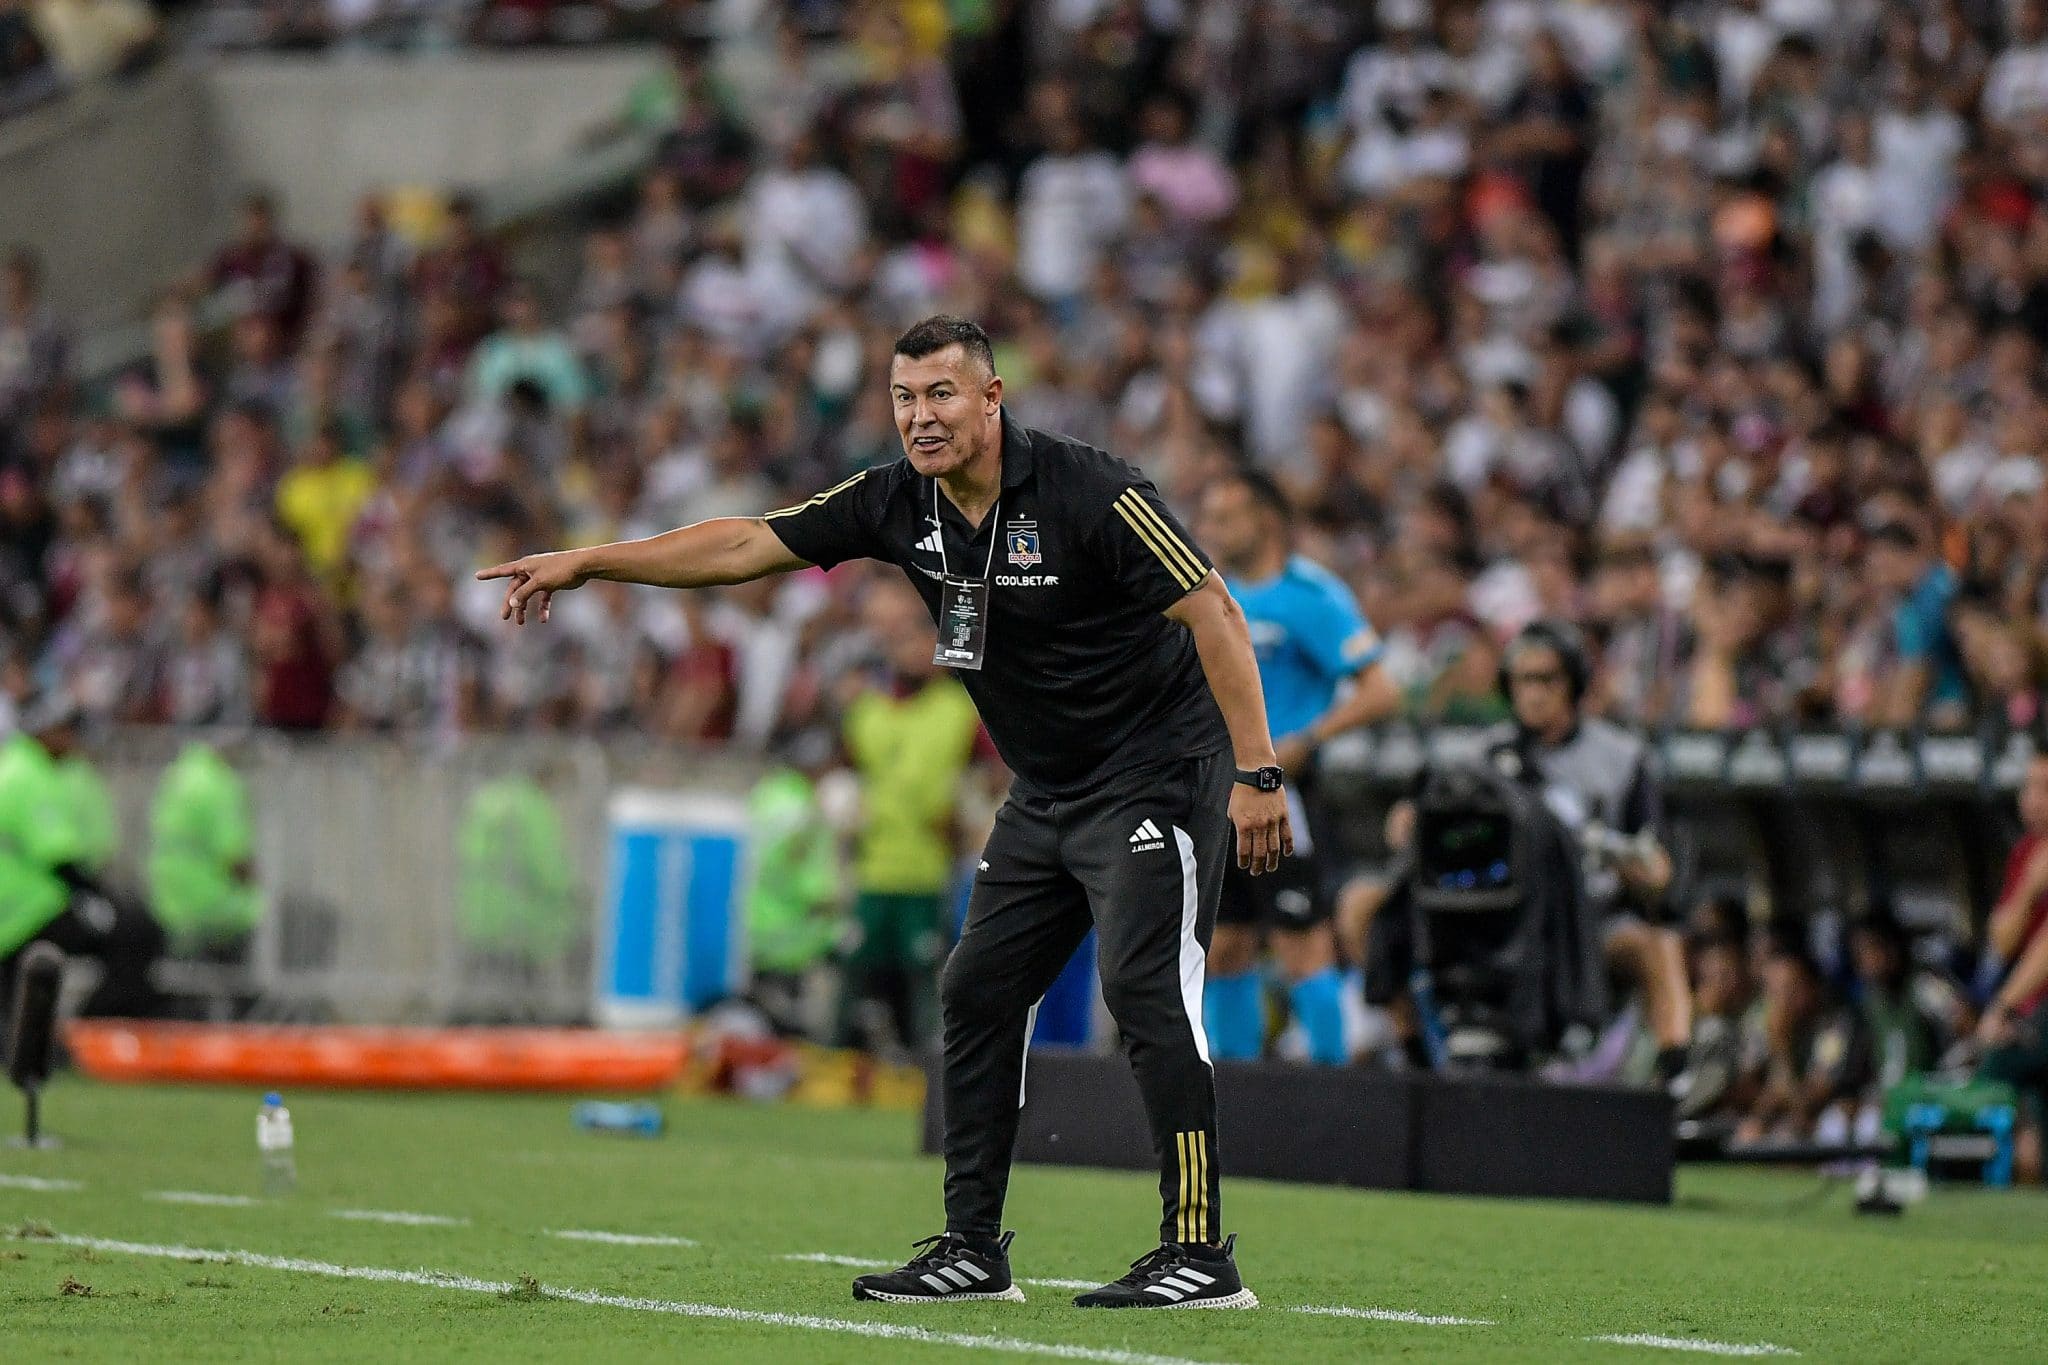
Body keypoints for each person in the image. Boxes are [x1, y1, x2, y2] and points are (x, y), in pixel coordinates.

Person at [481, 315, 1289, 1310]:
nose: (920, 417)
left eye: (942, 394)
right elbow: (748, 541)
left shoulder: (1092, 489)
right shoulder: (894, 502)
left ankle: (1200, 1254)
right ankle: (970, 1249)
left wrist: (1256, 772)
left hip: (1159, 771)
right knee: (974, 992)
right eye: (903, 398)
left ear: (992, 399)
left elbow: (1212, 606)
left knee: (1144, 992)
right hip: (1044, 791)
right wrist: (592, 559)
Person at [1195, 467, 1398, 1065]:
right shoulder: (1212, 595)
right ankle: (1231, 1089)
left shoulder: (1311, 595)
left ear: (1266, 520)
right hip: (1218, 793)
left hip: (1284, 795)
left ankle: (1330, 1088)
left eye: (1226, 517)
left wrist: (1308, 738)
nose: (1213, 529)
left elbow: (1380, 690)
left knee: (1301, 941)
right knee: (1224, 945)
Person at [833, 579, 980, 1058]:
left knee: (927, 981)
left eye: (919, 644)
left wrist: (971, 816)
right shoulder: (867, 712)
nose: (910, 654)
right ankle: (843, 1067)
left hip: (927, 870)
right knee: (855, 974)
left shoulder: (960, 711)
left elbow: (995, 773)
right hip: (873, 869)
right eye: (901, 644)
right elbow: (842, 776)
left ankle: (930, 1078)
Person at [0, 694, 164, 1028]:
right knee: (137, 934)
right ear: (44, 731)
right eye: (65, 730)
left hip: (16, 908)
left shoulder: (15, 766)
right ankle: (93, 1027)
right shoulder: (30, 775)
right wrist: (96, 896)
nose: (71, 740)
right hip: (26, 910)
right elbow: (58, 857)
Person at [1975, 753, 2048, 1182]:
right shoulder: (2026, 853)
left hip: (2033, 1011)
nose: (2033, 800)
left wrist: (2003, 1006)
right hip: (2033, 1009)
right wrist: (2032, 887)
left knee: (1997, 1066)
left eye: (2045, 789)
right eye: (2030, 787)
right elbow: (2002, 942)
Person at [147, 741, 262, 958]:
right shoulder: (219, 785)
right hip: (214, 904)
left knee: (177, 976)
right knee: (224, 979)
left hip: (170, 897)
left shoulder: (177, 775)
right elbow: (233, 853)